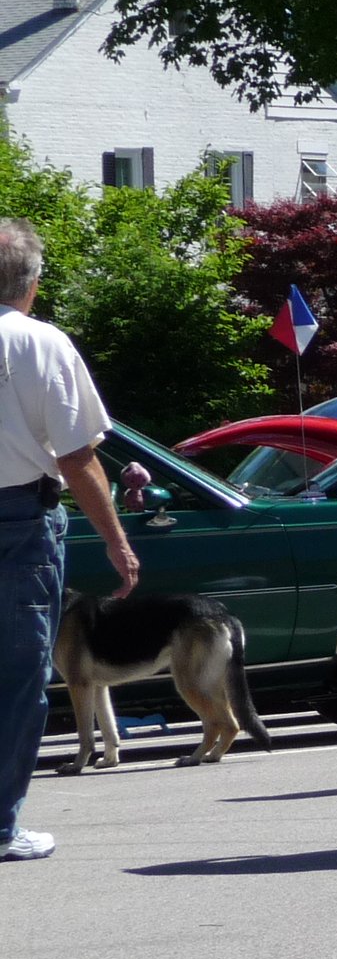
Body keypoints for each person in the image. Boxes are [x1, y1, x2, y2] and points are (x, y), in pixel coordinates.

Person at [0, 219, 140, 862]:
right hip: (20, 522)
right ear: (31, 284)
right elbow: (79, 456)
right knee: (18, 674)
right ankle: (2, 824)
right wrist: (117, 541)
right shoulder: (40, 344)